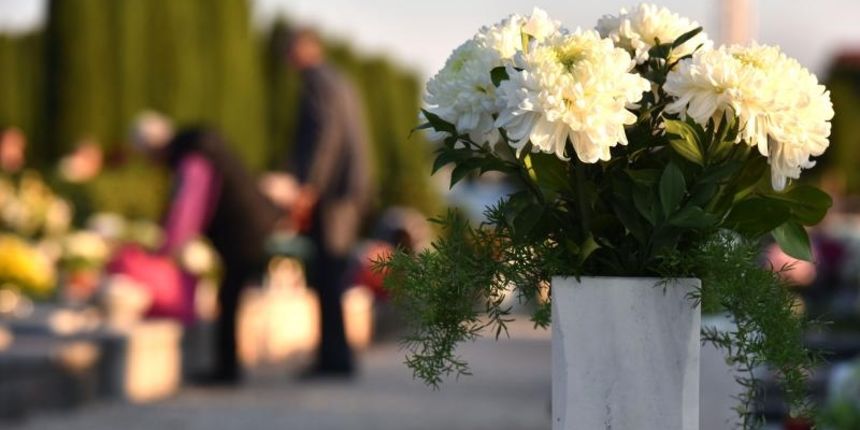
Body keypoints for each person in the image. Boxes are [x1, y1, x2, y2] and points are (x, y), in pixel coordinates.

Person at [132, 112, 280, 384]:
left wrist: (168, 250)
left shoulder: (192, 156)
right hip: (253, 225)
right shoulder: (201, 148)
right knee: (230, 296)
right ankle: (227, 367)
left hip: (244, 230)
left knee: (228, 298)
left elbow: (188, 208)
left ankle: (227, 370)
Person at [279, 29, 373, 377]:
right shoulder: (340, 80)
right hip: (348, 191)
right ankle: (336, 357)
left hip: (334, 194)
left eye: (290, 50)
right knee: (332, 274)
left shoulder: (317, 81)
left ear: (305, 48)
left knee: (326, 274)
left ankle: (334, 360)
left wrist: (309, 187)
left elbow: (325, 137)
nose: (288, 59)